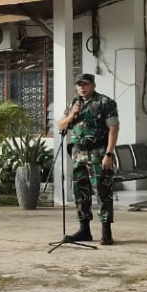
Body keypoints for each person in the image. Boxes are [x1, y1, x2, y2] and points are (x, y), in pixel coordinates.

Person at [58, 73, 119, 246]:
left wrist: (109, 154)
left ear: (93, 85)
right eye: (79, 84)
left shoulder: (105, 102)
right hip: (78, 153)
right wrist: (72, 115)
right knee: (80, 191)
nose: (82, 88)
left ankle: (106, 231)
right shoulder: (73, 103)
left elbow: (114, 129)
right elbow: (61, 125)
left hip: (98, 152)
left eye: (85, 84)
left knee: (102, 190)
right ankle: (84, 230)